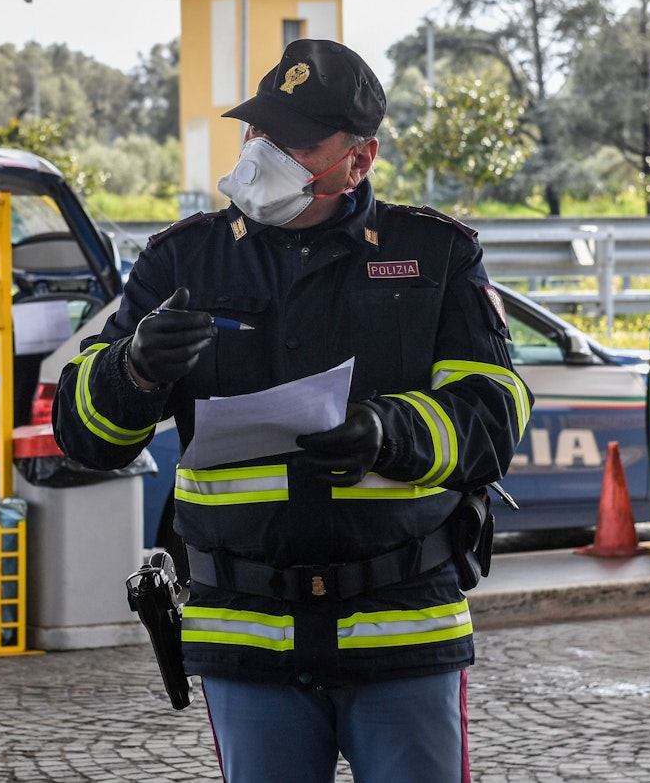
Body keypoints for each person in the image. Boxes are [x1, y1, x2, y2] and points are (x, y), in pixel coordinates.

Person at [52, 39, 532, 783]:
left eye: (299, 141)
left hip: (401, 622)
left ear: (359, 160)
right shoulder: (182, 262)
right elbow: (87, 438)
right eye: (260, 131)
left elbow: (495, 414)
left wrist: (386, 431)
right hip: (246, 631)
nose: (267, 151)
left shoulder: (434, 255)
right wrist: (134, 368)